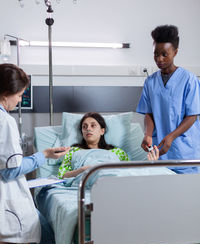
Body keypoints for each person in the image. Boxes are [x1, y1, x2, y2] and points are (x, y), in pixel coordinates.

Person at [0, 63, 70, 244]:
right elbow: (10, 171)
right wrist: (44, 155)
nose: (20, 100)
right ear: (6, 93)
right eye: (20, 95)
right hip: (6, 195)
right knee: (46, 241)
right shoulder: (5, 121)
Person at [136, 25, 200, 174]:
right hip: (160, 152)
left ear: (175, 53)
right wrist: (147, 134)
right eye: (156, 54)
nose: (159, 59)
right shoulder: (150, 82)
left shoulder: (189, 80)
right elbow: (149, 113)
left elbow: (192, 116)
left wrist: (171, 137)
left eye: (165, 54)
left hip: (185, 152)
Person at [58, 112, 130, 178]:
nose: (88, 129)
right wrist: (82, 170)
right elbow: (62, 175)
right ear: (82, 132)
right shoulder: (73, 151)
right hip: (82, 185)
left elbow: (130, 173)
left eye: (93, 125)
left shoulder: (118, 153)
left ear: (102, 131)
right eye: (84, 127)